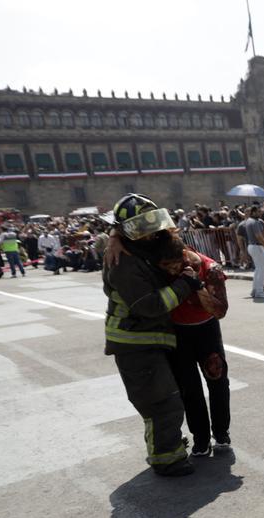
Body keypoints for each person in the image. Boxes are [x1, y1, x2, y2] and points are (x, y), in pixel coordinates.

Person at [102, 193, 204, 477]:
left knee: (163, 400)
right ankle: (167, 458)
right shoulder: (123, 261)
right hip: (136, 342)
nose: (149, 233)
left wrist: (113, 234)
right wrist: (186, 284)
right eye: (140, 227)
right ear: (126, 229)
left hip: (150, 340)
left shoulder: (139, 246)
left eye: (151, 224)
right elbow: (150, 306)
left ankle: (165, 446)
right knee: (161, 402)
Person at [157, 237, 232, 458]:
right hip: (178, 333)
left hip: (206, 330)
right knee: (189, 389)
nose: (170, 271)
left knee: (217, 380)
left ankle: (221, 432)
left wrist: (196, 286)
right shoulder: (163, 268)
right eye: (165, 268)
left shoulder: (211, 270)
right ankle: (200, 437)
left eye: (173, 266)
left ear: (184, 256)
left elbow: (220, 311)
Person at [237, 205, 264, 299]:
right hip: (257, 247)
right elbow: (259, 236)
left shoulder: (249, 221)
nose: (260, 213)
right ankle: (259, 292)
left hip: (253, 246)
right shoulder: (254, 222)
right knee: (261, 271)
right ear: (253, 212)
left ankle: (255, 291)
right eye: (258, 212)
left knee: (258, 270)